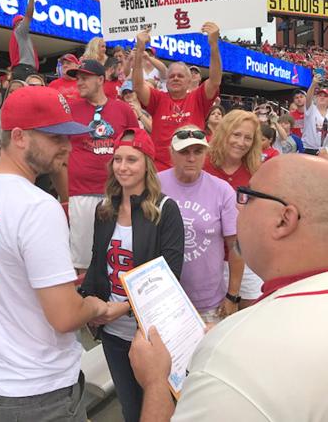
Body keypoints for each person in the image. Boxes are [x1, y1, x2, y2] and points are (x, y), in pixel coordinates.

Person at [129, 154, 328, 421]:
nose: (238, 207)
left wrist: (155, 383)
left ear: (284, 219)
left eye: (247, 196)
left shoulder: (232, 359)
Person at [0, 87, 108, 422]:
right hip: (36, 393)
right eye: (55, 137)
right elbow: (65, 316)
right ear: (20, 137)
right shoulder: (37, 206)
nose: (67, 147)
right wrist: (95, 305)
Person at [80, 128, 184, 422]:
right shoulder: (105, 209)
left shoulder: (166, 209)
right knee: (130, 409)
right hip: (112, 333)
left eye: (131, 160)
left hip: (149, 335)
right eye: (117, 160)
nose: (122, 167)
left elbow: (171, 277)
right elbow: (97, 263)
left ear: (147, 164)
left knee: (159, 406)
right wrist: (90, 304)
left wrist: (122, 308)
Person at [55, 60, 139, 273]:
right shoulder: (70, 110)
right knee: (83, 263)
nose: (79, 82)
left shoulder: (122, 110)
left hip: (117, 194)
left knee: (119, 257)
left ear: (100, 79)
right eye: (77, 78)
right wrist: (66, 196)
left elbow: (136, 147)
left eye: (85, 77)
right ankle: (85, 302)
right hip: (81, 193)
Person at [159, 125, 241, 324]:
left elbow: (236, 246)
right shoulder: (155, 185)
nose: (191, 158)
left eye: (198, 151)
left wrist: (232, 295)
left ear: (206, 153)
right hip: (165, 299)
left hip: (209, 302)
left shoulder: (222, 190)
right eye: (184, 152)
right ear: (171, 153)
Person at [133, 23, 221, 171]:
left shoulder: (198, 98)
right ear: (166, 82)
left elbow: (215, 80)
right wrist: (139, 50)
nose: (175, 78)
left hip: (191, 167)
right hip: (160, 169)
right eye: (171, 76)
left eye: (180, 76)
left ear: (189, 81)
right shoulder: (158, 98)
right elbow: (137, 86)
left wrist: (213, 45)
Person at [204, 110, 263, 307]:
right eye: (236, 134)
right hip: (208, 257)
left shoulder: (257, 170)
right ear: (224, 133)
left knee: (248, 317)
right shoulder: (203, 164)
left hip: (245, 256)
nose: (241, 142)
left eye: (248, 138)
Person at [9, 0, 39, 80]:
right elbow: (29, 14)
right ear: (18, 23)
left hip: (21, 70)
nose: (25, 22)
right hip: (25, 70)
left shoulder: (19, 36)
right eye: (22, 21)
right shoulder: (20, 31)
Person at [302, 76, 328, 155]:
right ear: (316, 98)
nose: (322, 98)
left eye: (325, 96)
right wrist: (313, 84)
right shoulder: (311, 110)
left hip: (324, 152)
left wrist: (326, 149)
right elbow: (308, 98)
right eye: (320, 96)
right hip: (309, 150)